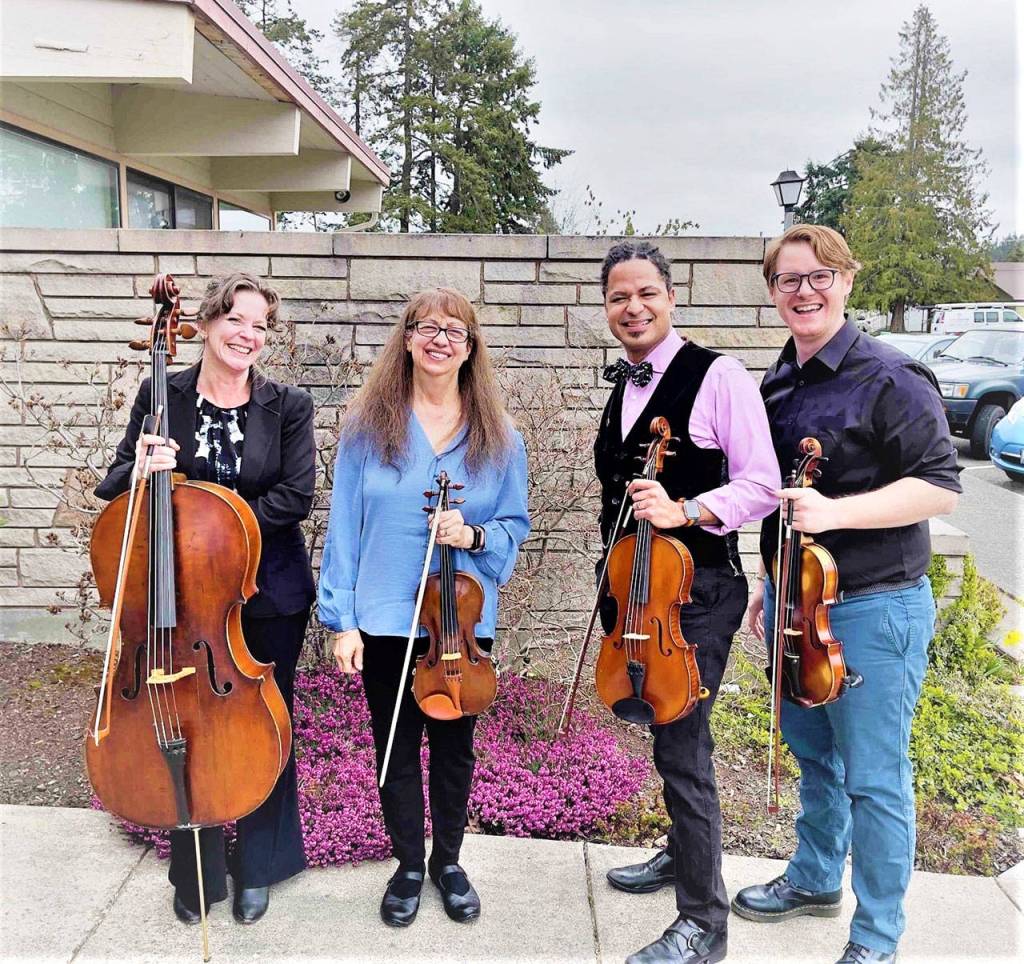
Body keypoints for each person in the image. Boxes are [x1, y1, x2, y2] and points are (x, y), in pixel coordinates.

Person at [733, 224, 961, 964]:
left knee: (875, 777)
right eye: (789, 280)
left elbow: (940, 489)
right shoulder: (777, 381)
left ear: (847, 280)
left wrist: (837, 513)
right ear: (773, 293)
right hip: (797, 604)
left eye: (819, 276)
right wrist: (769, 585)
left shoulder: (892, 377)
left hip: (873, 606)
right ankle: (814, 878)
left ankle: (876, 939)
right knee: (814, 755)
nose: (805, 291)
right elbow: (774, 499)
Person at [95, 272, 314, 926]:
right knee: (185, 721)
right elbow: (113, 484)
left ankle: (261, 868)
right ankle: (197, 869)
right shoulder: (165, 394)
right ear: (205, 324)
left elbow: (295, 495)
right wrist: (141, 466)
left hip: (264, 589)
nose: (248, 335)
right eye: (236, 320)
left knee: (263, 726)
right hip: (178, 597)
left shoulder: (288, 405)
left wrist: (216, 522)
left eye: (260, 326)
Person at [318, 287, 529, 928]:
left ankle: (449, 861)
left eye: (455, 332)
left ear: (471, 349)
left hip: (460, 624)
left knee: (456, 747)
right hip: (383, 617)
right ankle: (409, 863)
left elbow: (514, 525)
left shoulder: (499, 437)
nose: (441, 340)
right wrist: (342, 620)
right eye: (427, 328)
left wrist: (474, 535)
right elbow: (344, 526)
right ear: (407, 340)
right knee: (396, 745)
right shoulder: (367, 429)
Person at [595, 241, 780, 964]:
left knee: (683, 748)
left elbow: (763, 484)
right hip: (639, 590)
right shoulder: (628, 384)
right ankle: (680, 854)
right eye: (617, 297)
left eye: (645, 293)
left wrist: (689, 509)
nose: (632, 307)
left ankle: (703, 924)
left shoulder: (718, 376)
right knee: (664, 732)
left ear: (671, 296)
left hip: (698, 591)